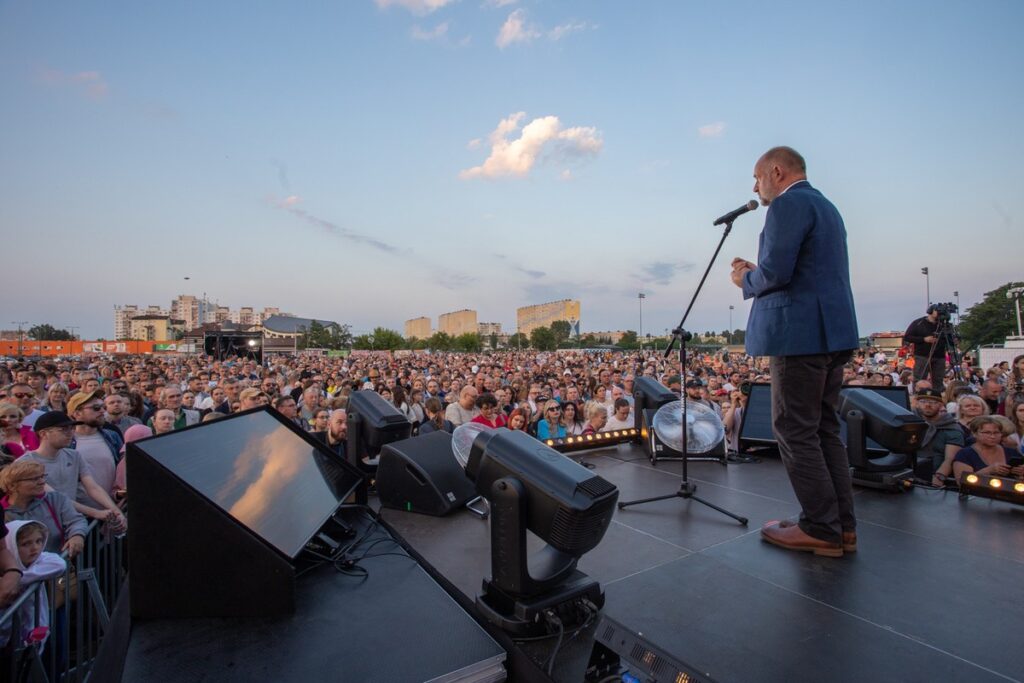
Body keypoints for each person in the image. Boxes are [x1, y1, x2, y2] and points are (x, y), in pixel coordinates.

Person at [731, 146, 859, 558]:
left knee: (794, 430)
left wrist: (745, 279)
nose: (755, 186)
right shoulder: (826, 206)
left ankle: (821, 528)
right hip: (831, 333)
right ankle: (842, 526)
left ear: (776, 171)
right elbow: (805, 269)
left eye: (757, 177)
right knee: (822, 429)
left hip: (798, 335)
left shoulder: (786, 206)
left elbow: (778, 274)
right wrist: (761, 270)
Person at [20, 411, 127, 532]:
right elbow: (57, 498)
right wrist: (96, 513)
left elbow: (93, 487)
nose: (71, 433)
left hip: (71, 524)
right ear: (44, 433)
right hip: (42, 527)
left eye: (72, 428)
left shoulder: (74, 455)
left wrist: (115, 511)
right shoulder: (26, 463)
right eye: (64, 429)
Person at [0, 459, 88, 558]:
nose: (42, 482)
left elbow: (76, 520)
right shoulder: (3, 511)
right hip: (19, 572)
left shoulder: (56, 499)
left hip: (57, 569)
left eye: (42, 477)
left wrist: (77, 535)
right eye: (34, 479)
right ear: (12, 486)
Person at [0, 520, 66, 651]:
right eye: (26, 544)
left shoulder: (40, 559)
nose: (35, 548)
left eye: (39, 541)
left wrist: (16, 578)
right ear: (11, 545)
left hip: (32, 625)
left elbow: (59, 564)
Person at [934, 416, 1023, 485]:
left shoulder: (1012, 452)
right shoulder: (965, 454)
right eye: (987, 433)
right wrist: (989, 470)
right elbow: (961, 482)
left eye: (996, 433)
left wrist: (1020, 473)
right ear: (974, 434)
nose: (992, 436)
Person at [902, 306, 949, 392]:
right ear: (930, 311)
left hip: (939, 356)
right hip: (922, 355)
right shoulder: (918, 323)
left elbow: (949, 339)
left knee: (938, 380)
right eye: (937, 310)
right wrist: (923, 339)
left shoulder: (943, 324)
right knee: (919, 378)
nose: (940, 313)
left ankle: (937, 397)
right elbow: (907, 337)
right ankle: (918, 396)